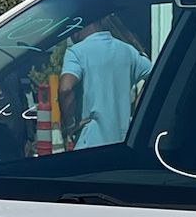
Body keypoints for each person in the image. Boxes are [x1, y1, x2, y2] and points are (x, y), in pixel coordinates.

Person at [58, 15, 151, 149]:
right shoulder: (128, 51)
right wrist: (138, 110)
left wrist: (69, 125)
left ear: (78, 27)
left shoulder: (77, 53)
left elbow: (65, 89)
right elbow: (154, 75)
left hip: (89, 143)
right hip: (122, 142)